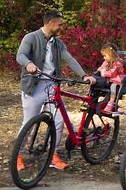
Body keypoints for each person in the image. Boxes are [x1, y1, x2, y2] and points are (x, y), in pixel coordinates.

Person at [16, 10, 90, 170]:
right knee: (28, 122)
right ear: (50, 22)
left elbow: (69, 59)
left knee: (58, 122)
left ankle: (53, 154)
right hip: (33, 87)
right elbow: (20, 55)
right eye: (60, 24)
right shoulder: (31, 38)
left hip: (51, 86)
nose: (62, 27)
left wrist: (84, 75)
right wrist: (28, 64)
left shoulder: (58, 43)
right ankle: (18, 155)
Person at [84, 43, 125, 114]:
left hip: (113, 81)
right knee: (95, 77)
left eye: (105, 56)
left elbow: (110, 74)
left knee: (97, 79)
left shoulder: (118, 64)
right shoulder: (107, 62)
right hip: (106, 79)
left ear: (111, 54)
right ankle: (92, 101)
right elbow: (100, 68)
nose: (104, 58)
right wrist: (102, 70)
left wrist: (103, 71)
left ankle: (107, 104)